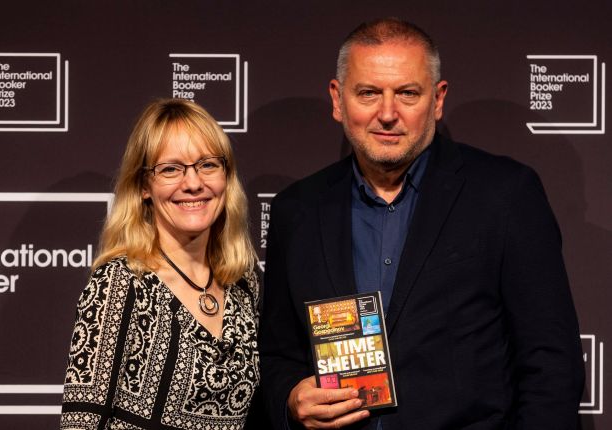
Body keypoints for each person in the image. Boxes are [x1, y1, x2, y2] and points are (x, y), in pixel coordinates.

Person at [259, 17, 584, 429]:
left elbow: (551, 363)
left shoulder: (505, 194)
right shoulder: (297, 210)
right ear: (338, 99)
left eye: (407, 93)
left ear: (438, 98)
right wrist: (290, 399)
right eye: (368, 93)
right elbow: (278, 355)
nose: (387, 114)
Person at [61, 99, 260, 429]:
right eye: (170, 169)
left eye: (208, 165)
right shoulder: (121, 281)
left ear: (226, 176)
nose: (193, 183)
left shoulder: (244, 281)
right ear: (144, 186)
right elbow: (81, 422)